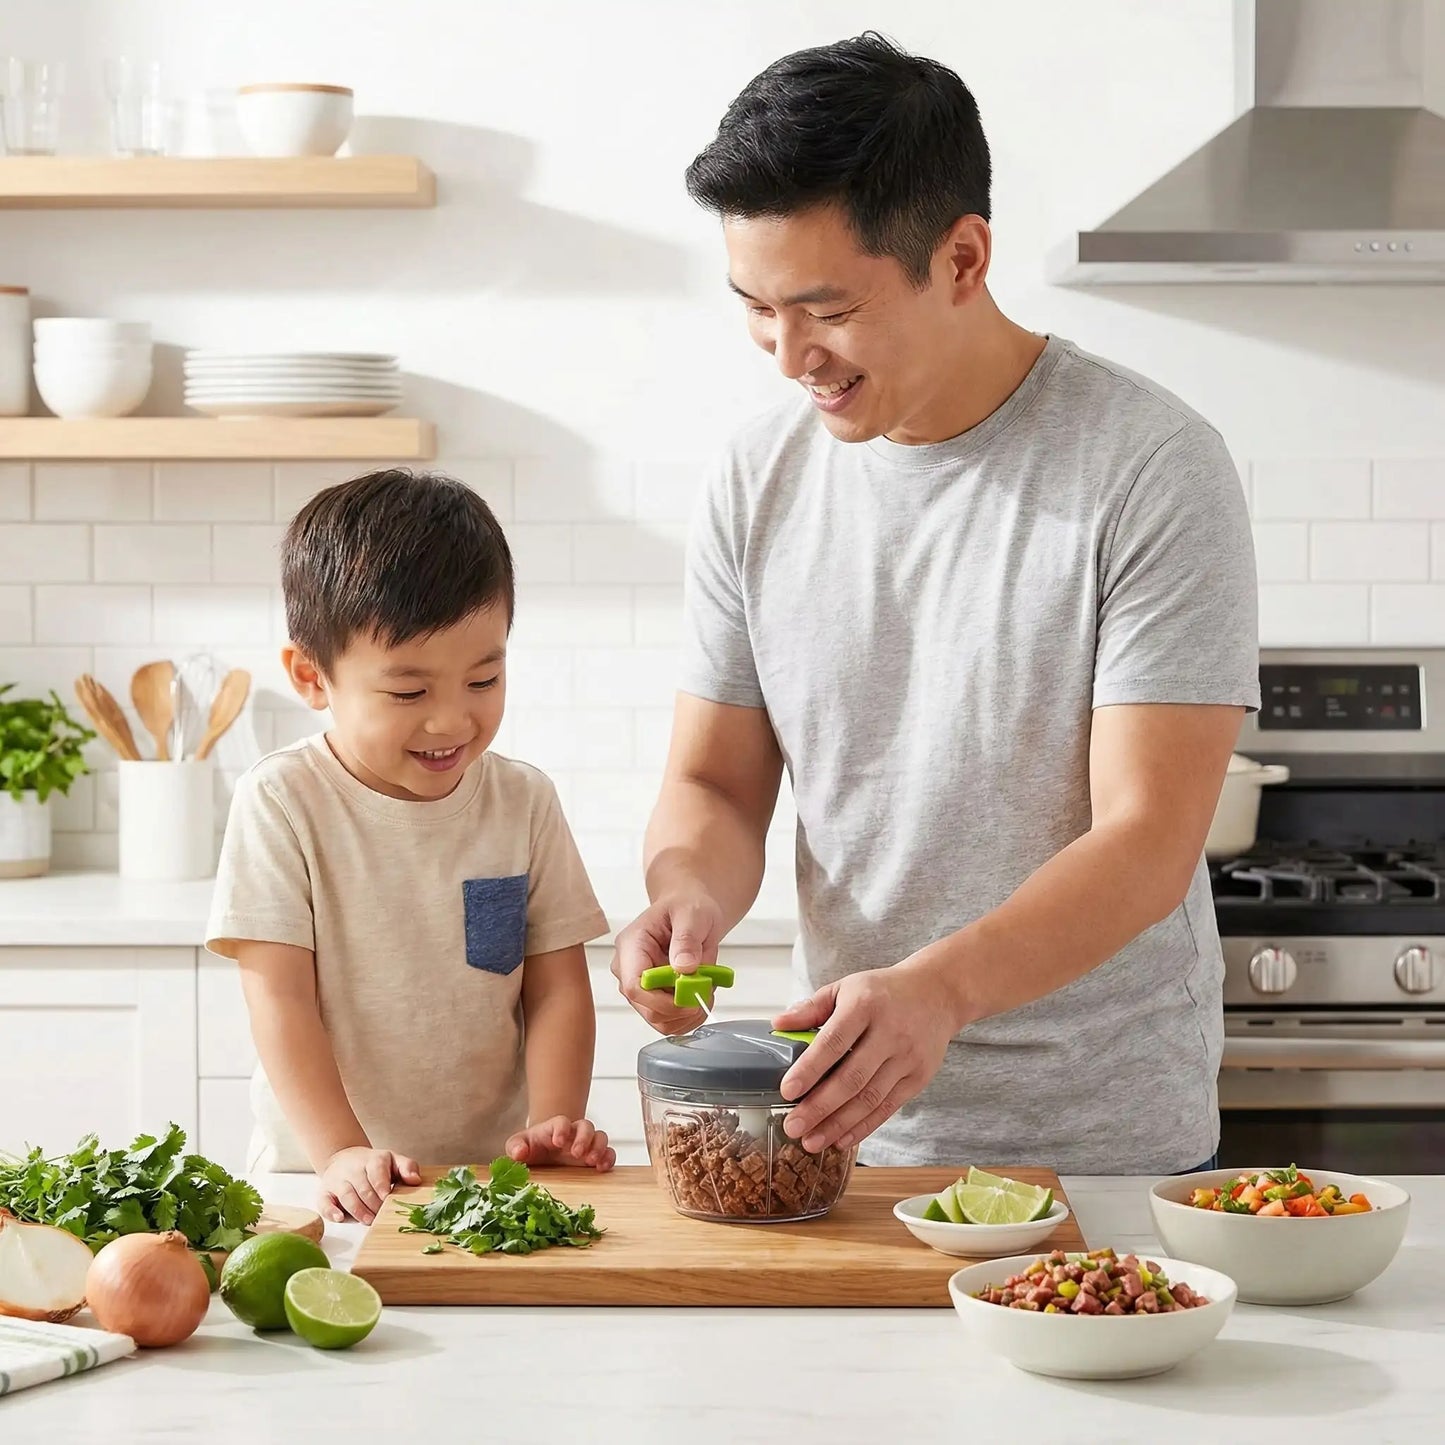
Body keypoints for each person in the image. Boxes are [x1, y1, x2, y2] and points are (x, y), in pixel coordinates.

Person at [613, 34, 1259, 1175]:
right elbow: (714, 781)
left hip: (1102, 1148)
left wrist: (940, 990)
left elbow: (1147, 839)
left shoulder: (1149, 465)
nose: (786, 354)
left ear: (960, 258)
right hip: (847, 1138)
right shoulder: (756, 479)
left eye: (825, 309)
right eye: (755, 308)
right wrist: (686, 891)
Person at [207, 469, 616, 1225]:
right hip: (319, 1182)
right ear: (311, 675)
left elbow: (555, 985)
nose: (450, 721)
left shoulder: (523, 802)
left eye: (483, 678)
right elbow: (280, 999)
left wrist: (552, 1123)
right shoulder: (283, 802)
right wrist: (339, 1150)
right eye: (408, 693)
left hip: (492, 1184)